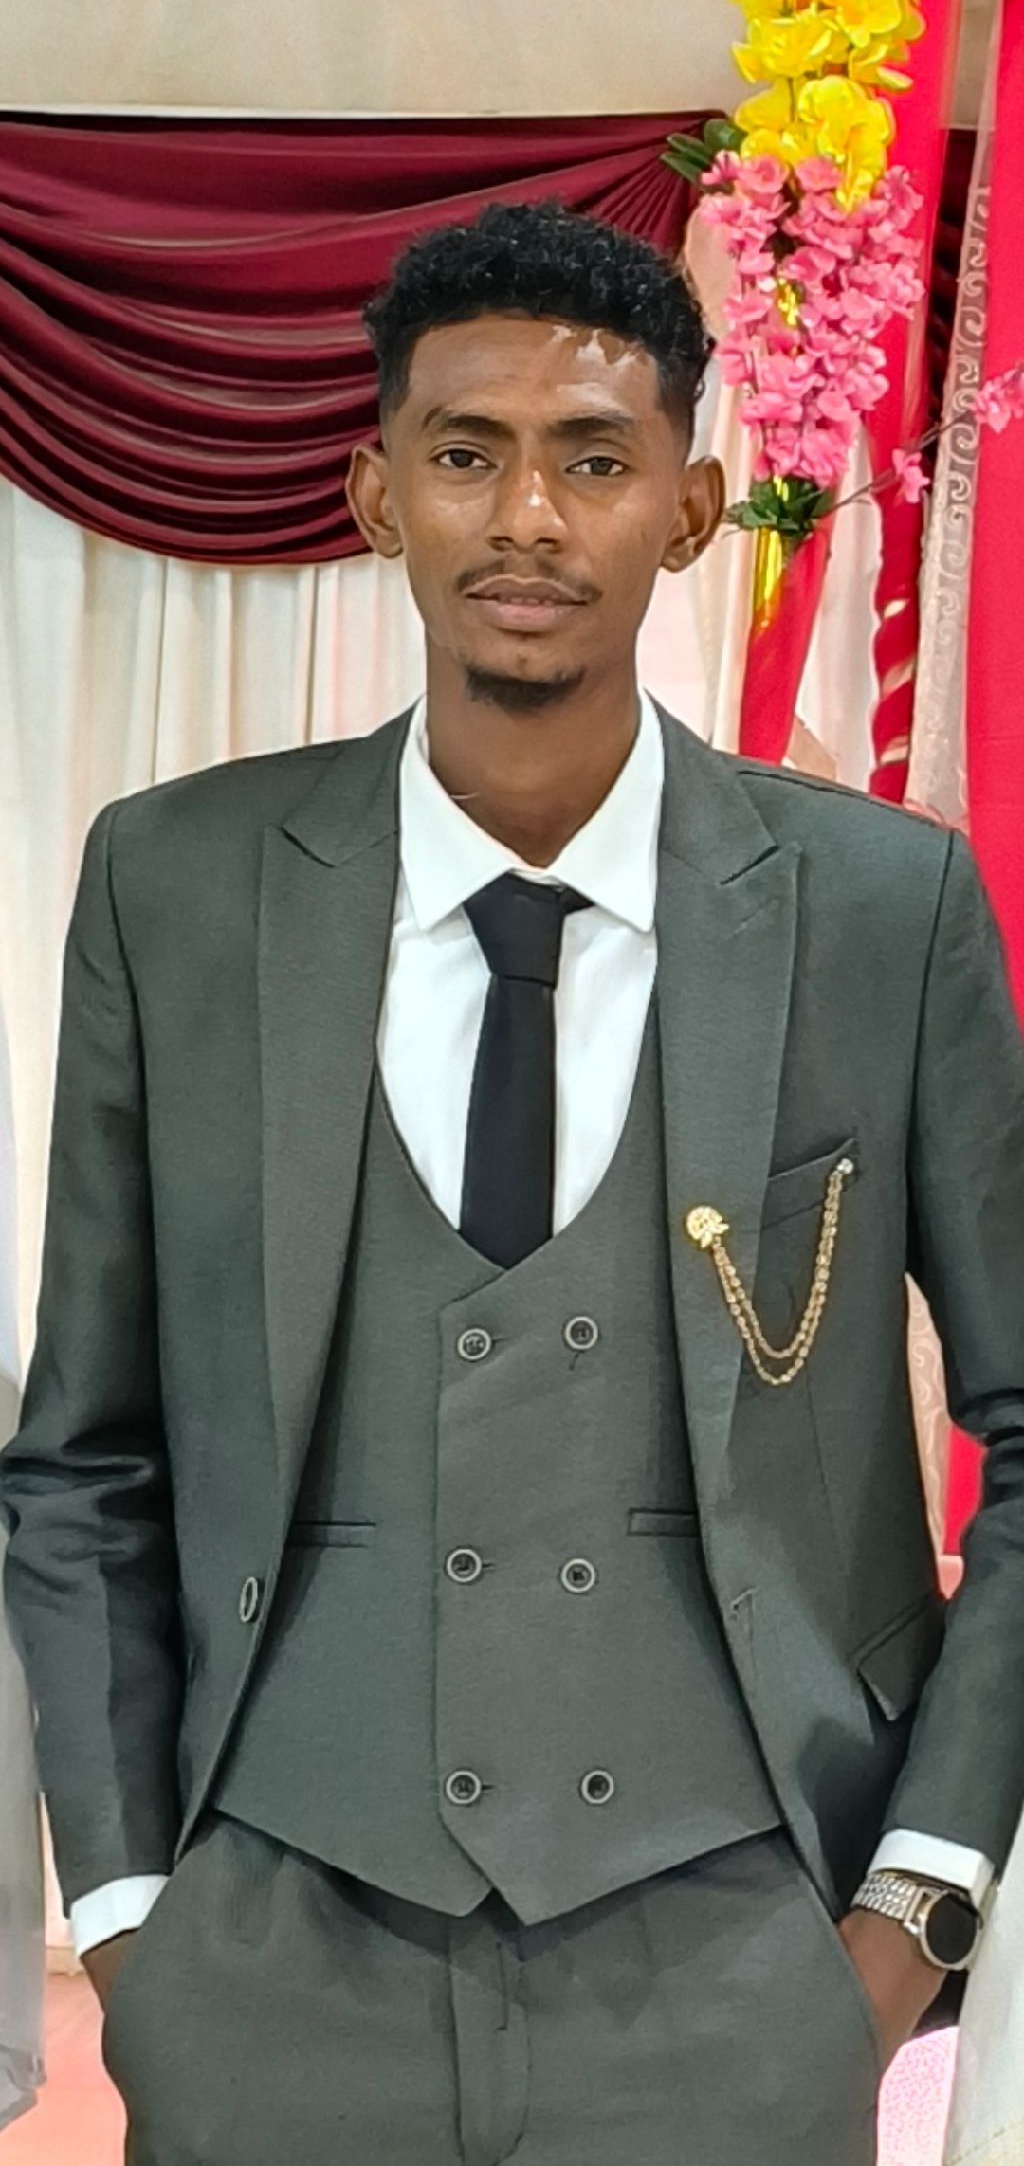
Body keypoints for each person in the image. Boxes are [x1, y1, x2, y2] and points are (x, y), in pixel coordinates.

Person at [2, 200, 1023, 2166]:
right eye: (466, 453)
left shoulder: (880, 908)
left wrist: (908, 1913)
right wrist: (131, 1921)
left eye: (593, 460)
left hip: (740, 1974)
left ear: (692, 508)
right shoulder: (176, 884)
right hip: (270, 1972)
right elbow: (83, 1460)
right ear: (376, 494)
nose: (527, 519)